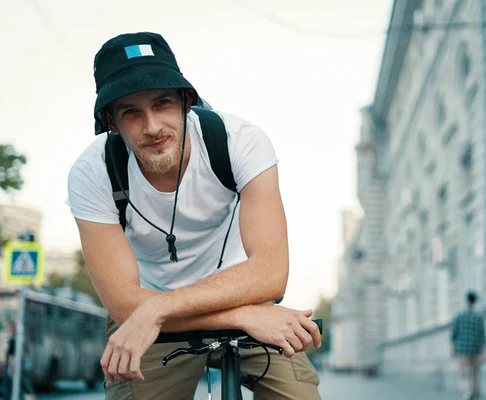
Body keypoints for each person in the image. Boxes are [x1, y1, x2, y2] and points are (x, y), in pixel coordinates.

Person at [67, 31, 322, 399]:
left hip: (231, 298)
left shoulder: (238, 141)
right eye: (131, 112)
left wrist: (161, 309)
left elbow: (270, 273)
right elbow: (124, 303)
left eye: (162, 103)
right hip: (150, 319)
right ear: (110, 121)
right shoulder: (93, 173)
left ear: (186, 102)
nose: (152, 126)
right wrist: (239, 317)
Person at [451, 291, 486, 400]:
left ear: (467, 301)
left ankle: (466, 393)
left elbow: (454, 334)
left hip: (462, 350)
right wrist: (484, 351)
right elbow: (483, 336)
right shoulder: (479, 317)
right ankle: (474, 393)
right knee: (475, 374)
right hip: (475, 350)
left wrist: (454, 348)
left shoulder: (459, 316)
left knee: (464, 374)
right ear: (474, 301)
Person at [1, 321, 36, 400]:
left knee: (10, 389)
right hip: (14, 368)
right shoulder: (16, 341)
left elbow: (11, 357)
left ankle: (29, 396)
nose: (6, 332)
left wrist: (10, 369)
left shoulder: (13, 341)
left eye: (8, 330)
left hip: (11, 369)